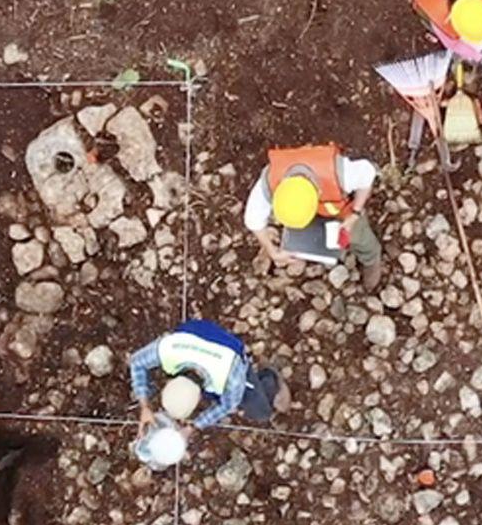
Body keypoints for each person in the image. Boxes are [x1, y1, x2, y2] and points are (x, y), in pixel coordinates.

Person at [244, 144, 386, 289]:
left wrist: (355, 213)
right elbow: (253, 220)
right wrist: (272, 251)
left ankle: (371, 258)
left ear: (318, 192)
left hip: (340, 207)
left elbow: (368, 172)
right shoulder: (269, 181)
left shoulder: (341, 173)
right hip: (315, 207)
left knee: (358, 234)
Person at [128, 318, 290, 442]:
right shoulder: (168, 349)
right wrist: (144, 406)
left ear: (199, 398)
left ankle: (270, 376)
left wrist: (193, 427)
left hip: (229, 354)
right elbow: (136, 362)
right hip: (195, 330)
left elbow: (226, 406)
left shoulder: (231, 379)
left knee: (262, 411)